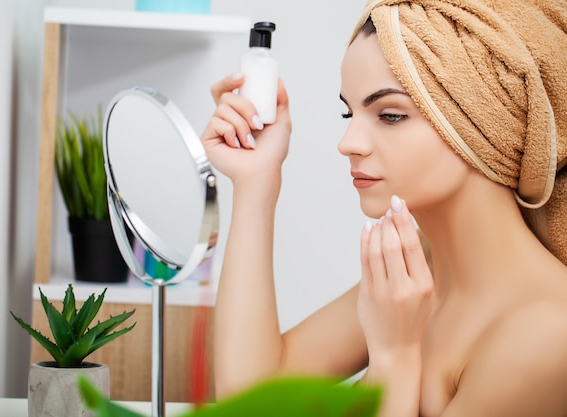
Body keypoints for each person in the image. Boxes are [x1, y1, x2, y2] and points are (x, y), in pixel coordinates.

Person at [200, 0, 567, 415]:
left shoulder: (547, 335)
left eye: (390, 115)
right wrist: (255, 182)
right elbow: (250, 401)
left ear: (482, 126)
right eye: (349, 111)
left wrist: (394, 357)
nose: (348, 143)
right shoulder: (417, 277)